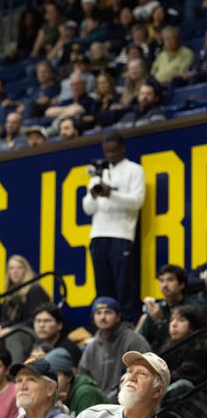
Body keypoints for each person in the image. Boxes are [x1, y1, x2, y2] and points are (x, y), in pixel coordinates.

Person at [81, 131, 145, 320]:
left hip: (121, 234)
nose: (110, 155)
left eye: (113, 151)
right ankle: (104, 322)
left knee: (124, 285)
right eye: (106, 152)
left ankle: (127, 323)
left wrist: (111, 194)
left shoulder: (134, 170)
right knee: (102, 286)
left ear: (122, 148)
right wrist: (93, 194)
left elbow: (137, 201)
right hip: (98, 235)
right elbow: (87, 208)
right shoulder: (98, 172)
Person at [0, 255, 50, 370]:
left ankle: (16, 375)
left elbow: (34, 320)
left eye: (19, 268)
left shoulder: (35, 289)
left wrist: (10, 330)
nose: (15, 271)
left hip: (30, 331)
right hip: (12, 330)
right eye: (12, 268)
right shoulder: (10, 293)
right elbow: (5, 320)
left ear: (26, 270)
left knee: (14, 336)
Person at [78, 297, 151, 400]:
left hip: (130, 400)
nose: (103, 317)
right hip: (99, 405)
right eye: (98, 313)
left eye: (108, 312)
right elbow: (84, 381)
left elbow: (146, 375)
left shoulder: (133, 340)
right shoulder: (90, 348)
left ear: (118, 317)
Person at [74, 352, 169, 418]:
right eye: (129, 371)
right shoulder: (93, 415)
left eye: (142, 373)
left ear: (158, 391)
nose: (131, 377)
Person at [137, 264, 204, 351]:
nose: (164, 285)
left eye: (170, 280)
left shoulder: (194, 308)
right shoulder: (157, 309)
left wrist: (160, 322)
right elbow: (141, 340)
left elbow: (181, 341)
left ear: (181, 284)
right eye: (161, 281)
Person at [44, 348, 106, 417]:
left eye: (56, 375)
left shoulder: (85, 393)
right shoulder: (60, 396)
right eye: (48, 377)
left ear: (69, 376)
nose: (51, 380)